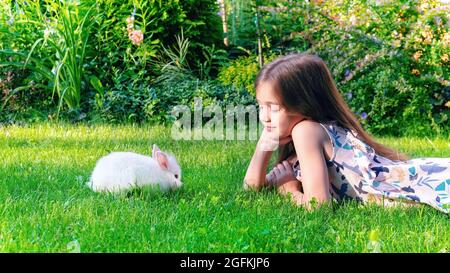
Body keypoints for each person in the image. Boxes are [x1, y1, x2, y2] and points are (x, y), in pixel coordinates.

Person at [243, 53, 450, 213]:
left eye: (273, 107)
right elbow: (252, 188)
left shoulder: (305, 131)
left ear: (302, 104)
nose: (264, 116)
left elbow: (318, 208)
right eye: (261, 106)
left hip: (411, 185)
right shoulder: (304, 135)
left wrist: (290, 191)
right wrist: (265, 144)